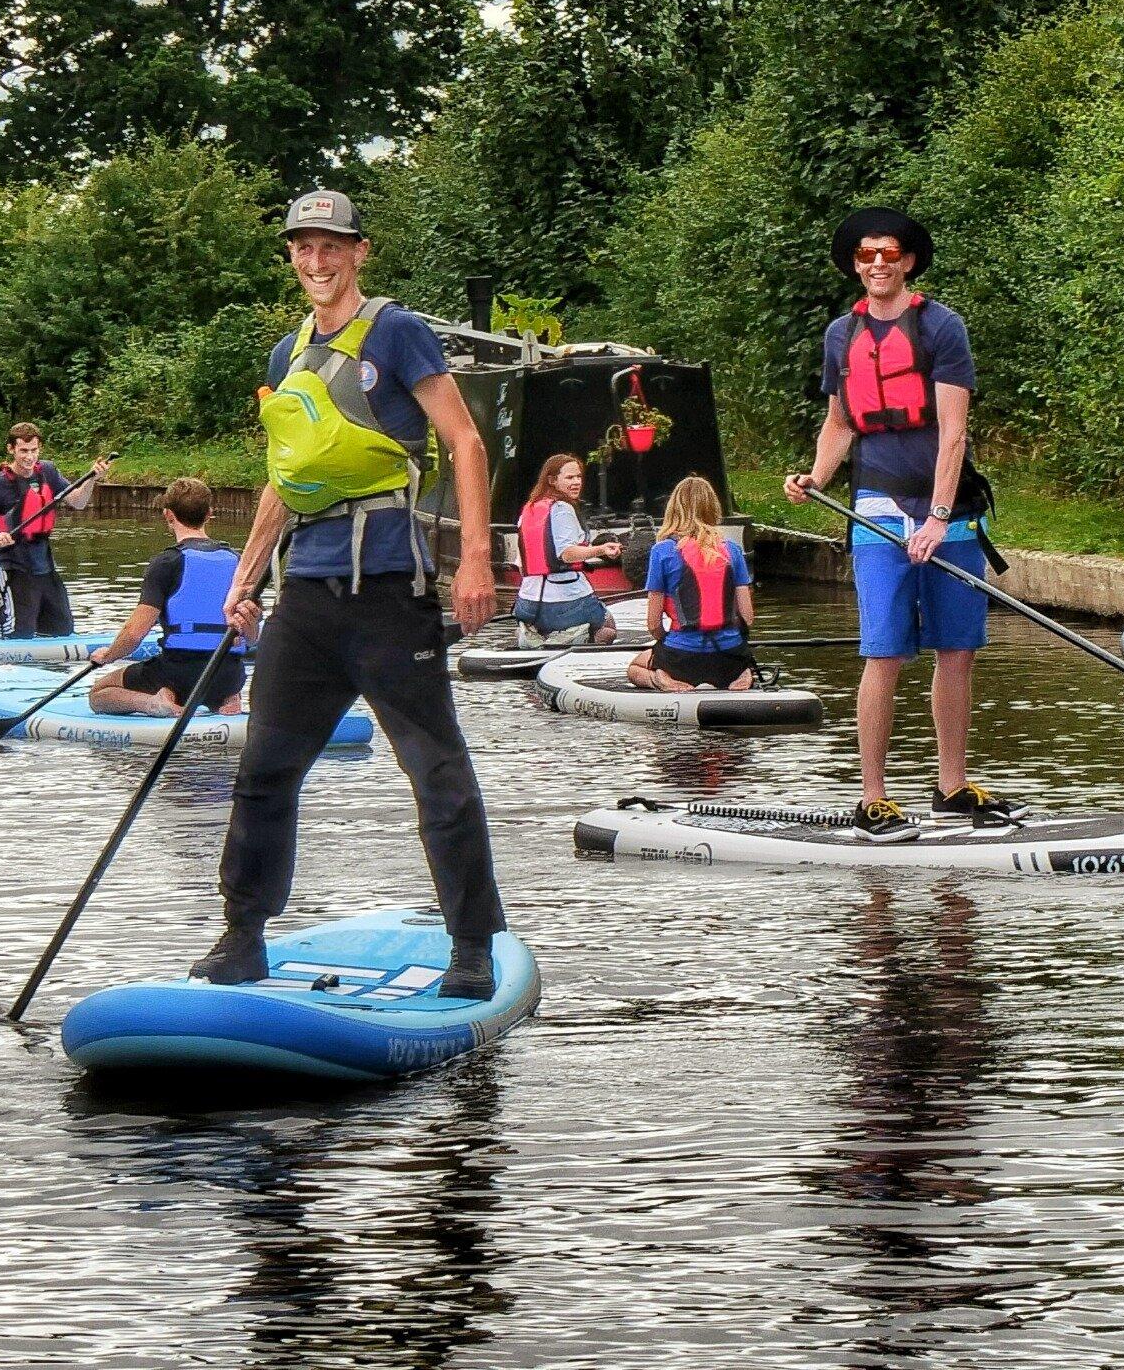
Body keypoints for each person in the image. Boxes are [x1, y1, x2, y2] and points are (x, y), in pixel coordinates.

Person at [198, 187, 507, 1000]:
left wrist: (473, 557)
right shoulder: (285, 355)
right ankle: (242, 936)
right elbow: (285, 478)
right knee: (264, 769)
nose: (317, 260)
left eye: (332, 245)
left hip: (388, 593)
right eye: (304, 246)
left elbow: (465, 440)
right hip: (305, 596)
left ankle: (471, 947)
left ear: (359, 252)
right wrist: (246, 575)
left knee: (435, 772)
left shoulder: (398, 332)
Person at [783, 204, 1002, 839]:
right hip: (876, 507)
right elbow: (839, 421)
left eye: (888, 255)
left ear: (906, 262)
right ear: (856, 266)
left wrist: (936, 518)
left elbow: (953, 434)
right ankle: (873, 796)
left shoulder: (942, 327)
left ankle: (952, 787)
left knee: (956, 651)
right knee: (884, 651)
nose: (877, 264)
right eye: (865, 256)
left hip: (949, 511)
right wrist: (817, 477)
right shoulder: (839, 336)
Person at [87, 476, 250, 715]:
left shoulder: (167, 562)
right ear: (209, 514)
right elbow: (252, 633)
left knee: (99, 694)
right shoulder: (238, 560)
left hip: (178, 672)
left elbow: (134, 633)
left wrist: (109, 655)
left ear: (168, 515)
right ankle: (228, 701)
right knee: (221, 677)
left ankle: (156, 702)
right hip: (229, 674)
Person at [0, 425, 112, 638]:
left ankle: (8, 611)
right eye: (23, 451)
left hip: (44, 564)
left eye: (34, 450)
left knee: (62, 630)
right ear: (11, 449)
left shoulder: (48, 471)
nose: (30, 457)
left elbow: (79, 502)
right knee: (20, 632)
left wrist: (92, 478)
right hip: (13, 565)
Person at [626, 474, 756, 692]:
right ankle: (742, 676)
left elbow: (653, 624)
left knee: (635, 668)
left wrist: (668, 643)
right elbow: (748, 618)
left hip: (682, 658)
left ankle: (661, 679)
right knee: (735, 659)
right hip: (730, 657)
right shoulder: (732, 549)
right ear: (713, 508)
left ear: (673, 509)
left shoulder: (663, 551)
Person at [511, 451, 621, 647]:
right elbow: (567, 553)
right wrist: (602, 549)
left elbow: (520, 563)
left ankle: (535, 633)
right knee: (608, 628)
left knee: (546, 618)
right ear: (552, 480)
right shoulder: (562, 509)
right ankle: (570, 639)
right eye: (570, 477)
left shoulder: (530, 508)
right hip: (564, 602)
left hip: (527, 603)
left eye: (578, 477)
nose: (577, 482)